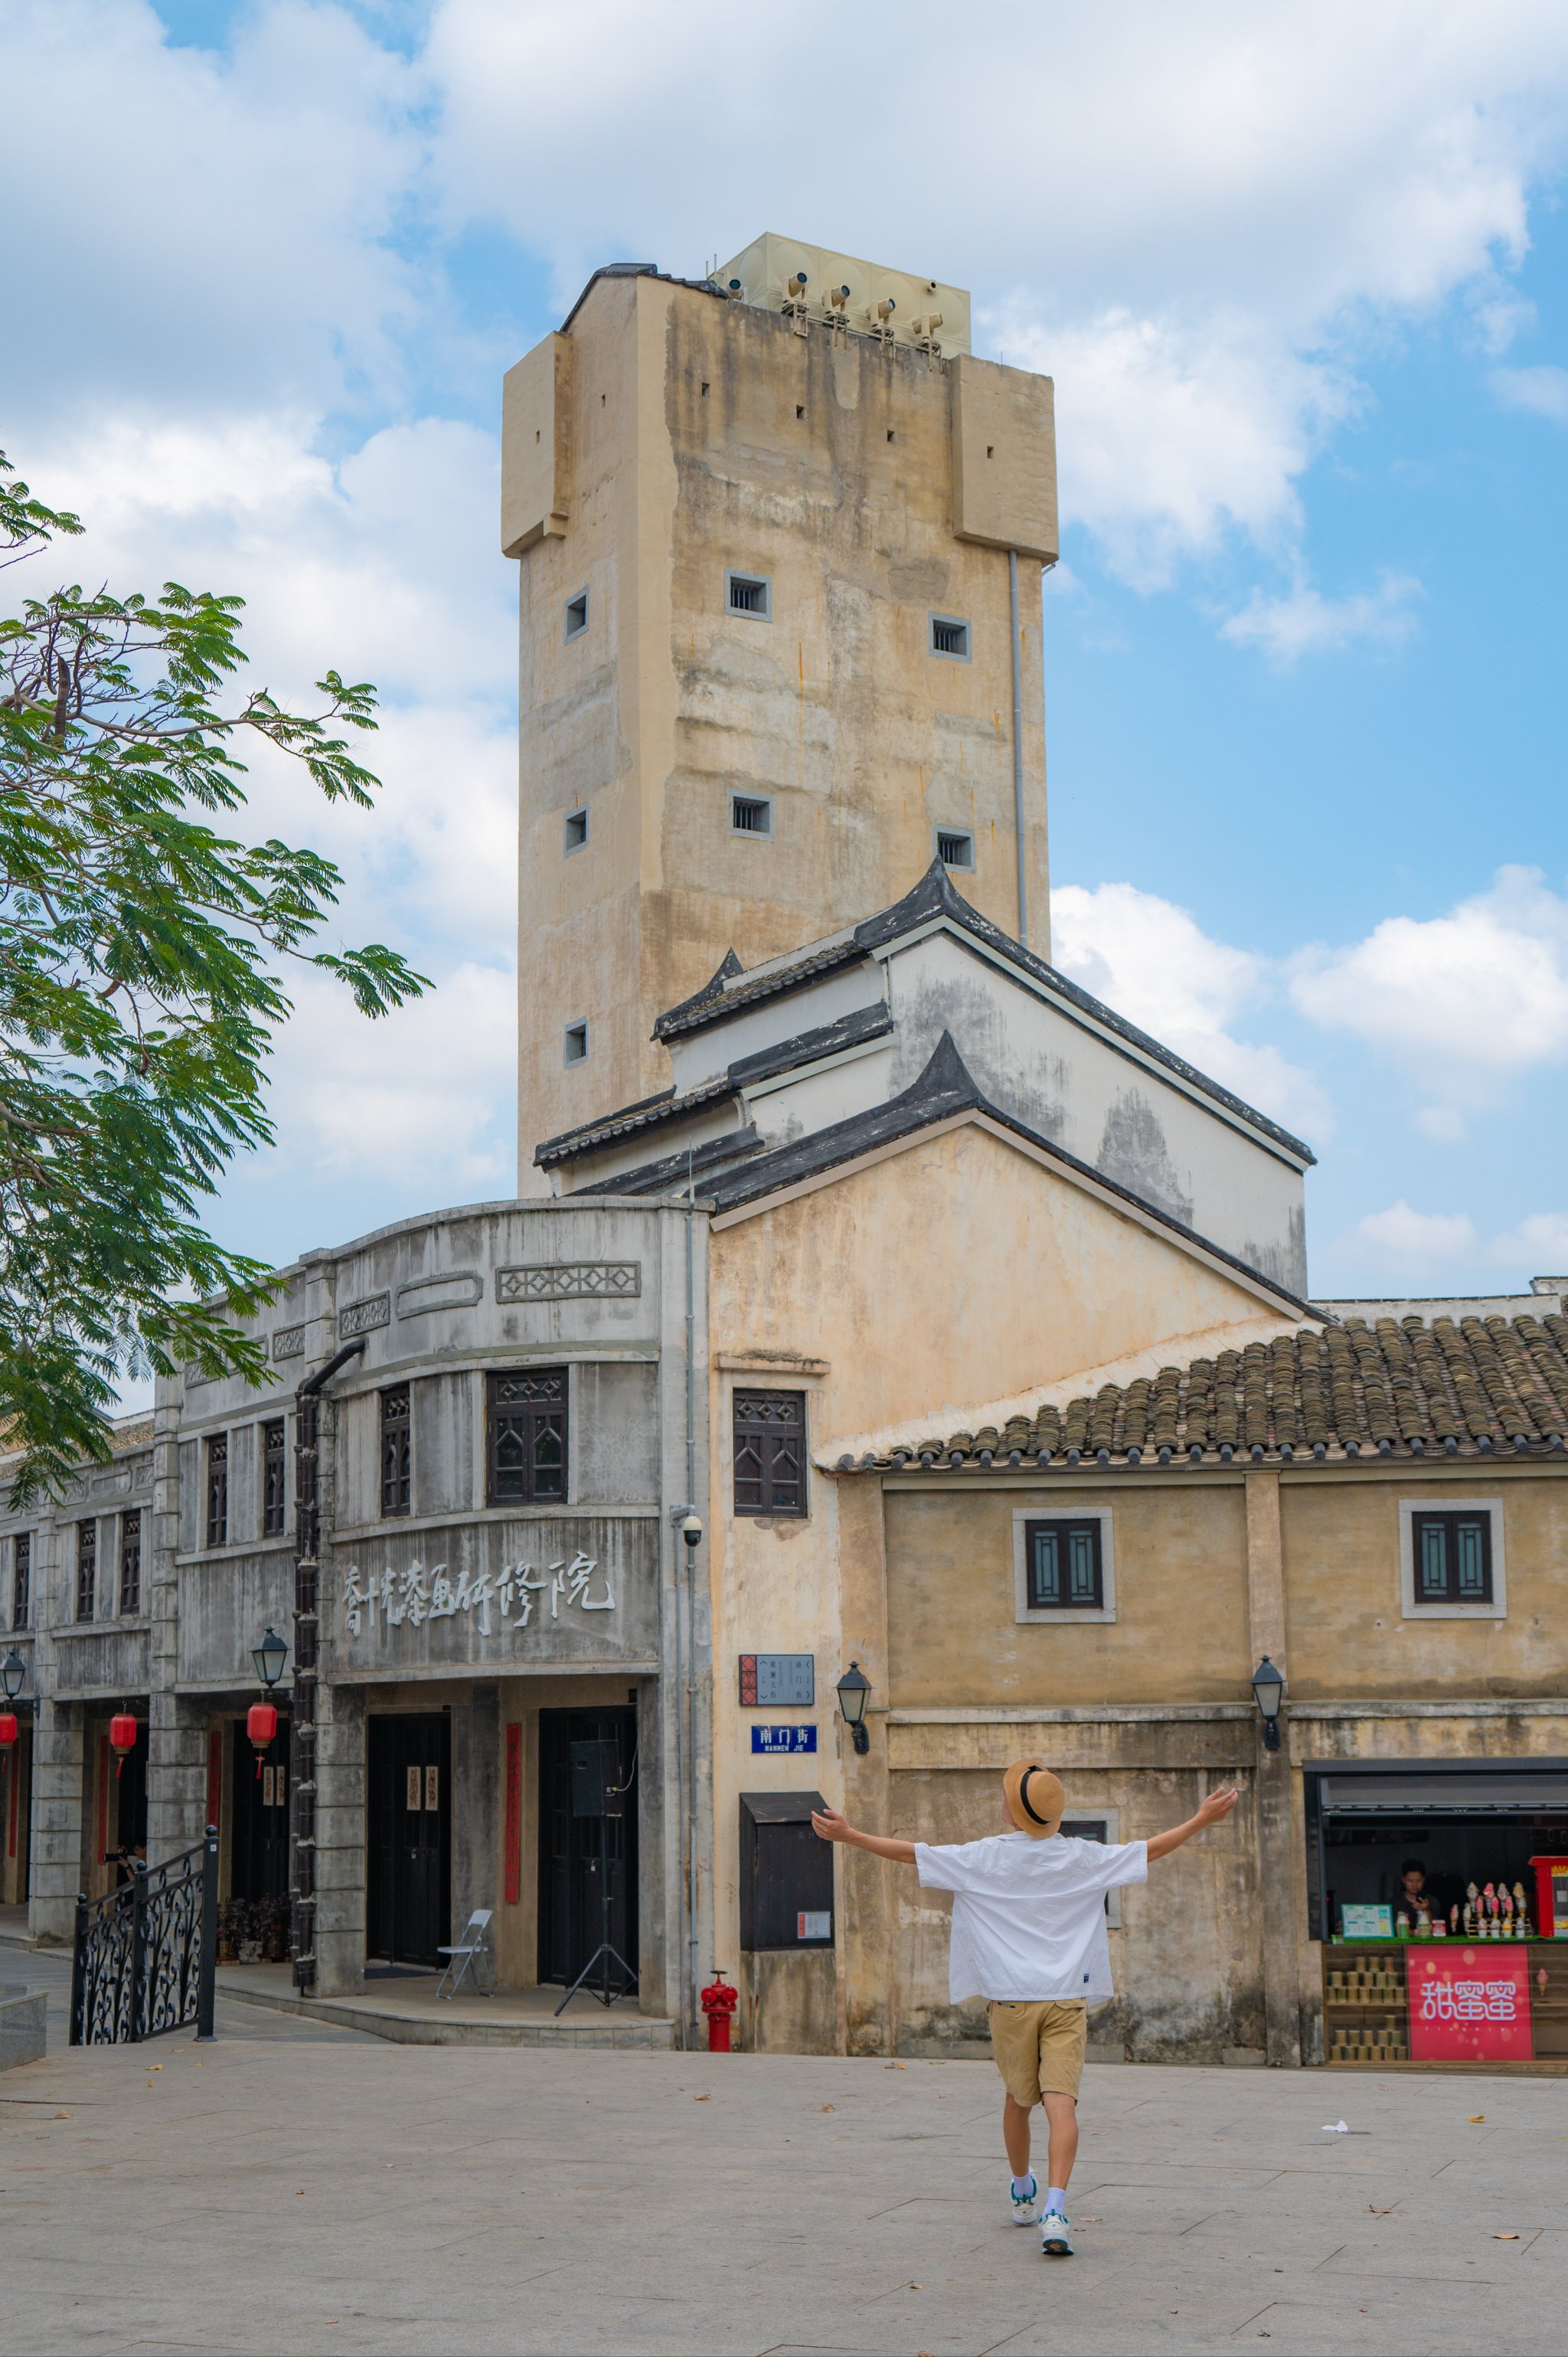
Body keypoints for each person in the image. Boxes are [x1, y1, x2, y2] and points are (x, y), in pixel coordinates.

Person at [812, 1760, 1239, 2258]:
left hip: (1011, 2000)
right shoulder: (1083, 1857)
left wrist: (850, 1835)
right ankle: (1055, 2209)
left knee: (1019, 2101)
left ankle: (1022, 2188)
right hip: (1066, 1998)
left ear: (1013, 1815)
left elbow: (909, 1854)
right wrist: (1200, 1820)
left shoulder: (982, 1858)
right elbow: (1152, 1849)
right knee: (1062, 2104)